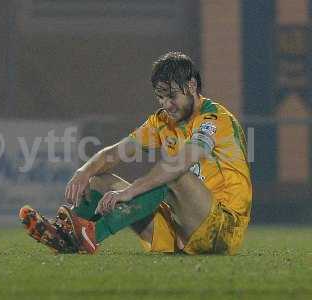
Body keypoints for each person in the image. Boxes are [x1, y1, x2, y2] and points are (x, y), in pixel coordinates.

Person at [19, 51, 252, 255]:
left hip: (222, 228)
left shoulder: (215, 119)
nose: (166, 104)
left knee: (172, 175)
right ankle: (65, 234)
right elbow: (115, 153)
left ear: (191, 86)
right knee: (100, 181)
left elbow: (181, 163)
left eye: (171, 96)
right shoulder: (162, 121)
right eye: (160, 97)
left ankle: (92, 235)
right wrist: (84, 171)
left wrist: (130, 191)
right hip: (182, 231)